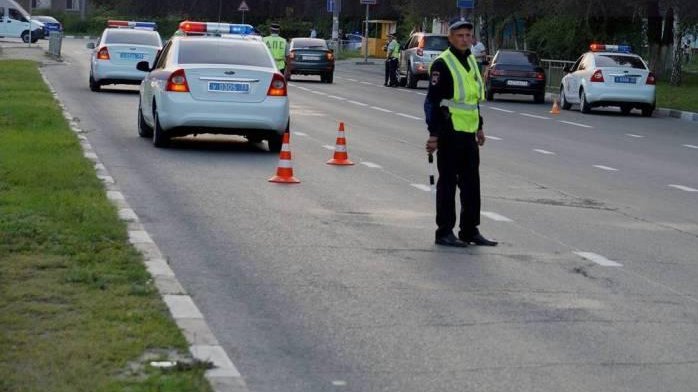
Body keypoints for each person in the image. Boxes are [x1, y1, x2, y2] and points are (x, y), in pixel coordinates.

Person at [424, 17, 498, 247]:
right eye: (460, 35)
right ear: (451, 37)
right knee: (447, 183)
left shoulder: (472, 61)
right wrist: (433, 134)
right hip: (448, 131)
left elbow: (473, 100)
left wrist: (480, 128)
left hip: (468, 133)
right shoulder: (442, 63)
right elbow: (432, 102)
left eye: (468, 35)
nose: (465, 39)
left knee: (471, 184)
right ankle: (444, 231)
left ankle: (469, 230)